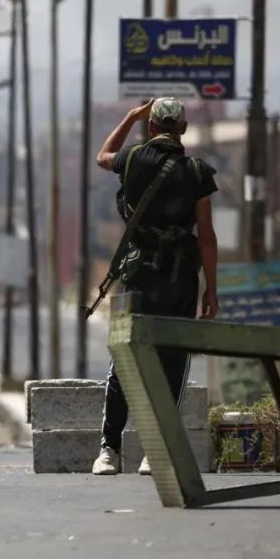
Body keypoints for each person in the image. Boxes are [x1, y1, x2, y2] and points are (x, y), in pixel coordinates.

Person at [91, 98, 219, 476]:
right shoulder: (197, 172)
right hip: (180, 279)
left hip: (138, 276)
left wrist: (130, 115)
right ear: (183, 129)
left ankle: (109, 450)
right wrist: (211, 289)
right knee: (172, 362)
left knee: (125, 358)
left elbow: (102, 156)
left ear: (150, 127)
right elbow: (207, 237)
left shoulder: (132, 159)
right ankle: (156, 450)